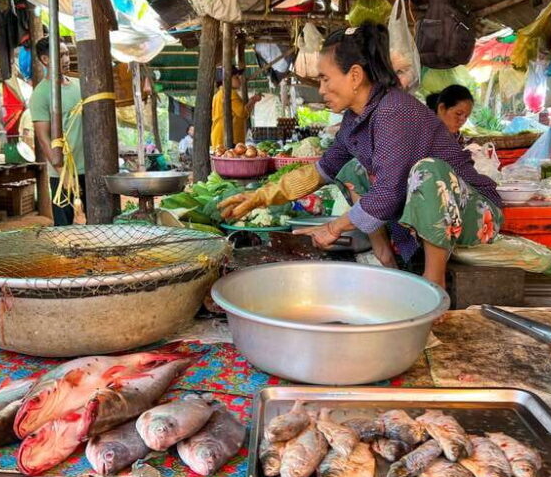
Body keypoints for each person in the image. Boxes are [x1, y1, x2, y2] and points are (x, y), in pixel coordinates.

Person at [219, 23, 501, 288]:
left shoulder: (393, 110)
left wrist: (333, 227)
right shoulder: (355, 121)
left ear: (355, 76)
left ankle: (433, 281)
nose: (321, 89)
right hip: (429, 213)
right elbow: (322, 171)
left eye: (325, 78)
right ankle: (387, 261)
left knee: (428, 172)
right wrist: (260, 196)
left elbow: (389, 192)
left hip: (473, 213)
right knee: (354, 168)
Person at [30, 37, 86, 226]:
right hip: (63, 173)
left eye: (66, 53)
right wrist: (63, 172)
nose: (66, 58)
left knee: (94, 224)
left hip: (90, 168)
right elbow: (43, 137)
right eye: (60, 55)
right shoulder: (41, 94)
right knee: (66, 228)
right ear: (45, 60)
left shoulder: (80, 85)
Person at [211, 67, 261, 148]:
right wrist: (253, 100)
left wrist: (252, 101)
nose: (239, 80)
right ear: (226, 80)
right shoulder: (229, 93)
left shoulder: (218, 94)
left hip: (219, 136)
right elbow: (242, 113)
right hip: (227, 138)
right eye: (236, 77)